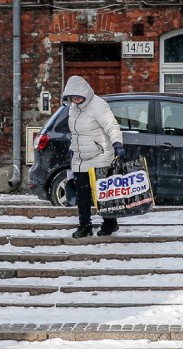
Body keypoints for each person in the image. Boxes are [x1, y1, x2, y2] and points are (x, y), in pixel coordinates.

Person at [61, 75, 125, 238]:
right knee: (82, 194)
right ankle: (85, 226)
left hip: (100, 155)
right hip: (80, 158)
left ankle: (110, 223)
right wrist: (73, 148)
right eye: (72, 97)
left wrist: (117, 144)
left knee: (102, 193)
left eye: (78, 96)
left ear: (85, 92)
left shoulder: (98, 105)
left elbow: (112, 126)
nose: (75, 99)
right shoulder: (73, 108)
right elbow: (76, 132)